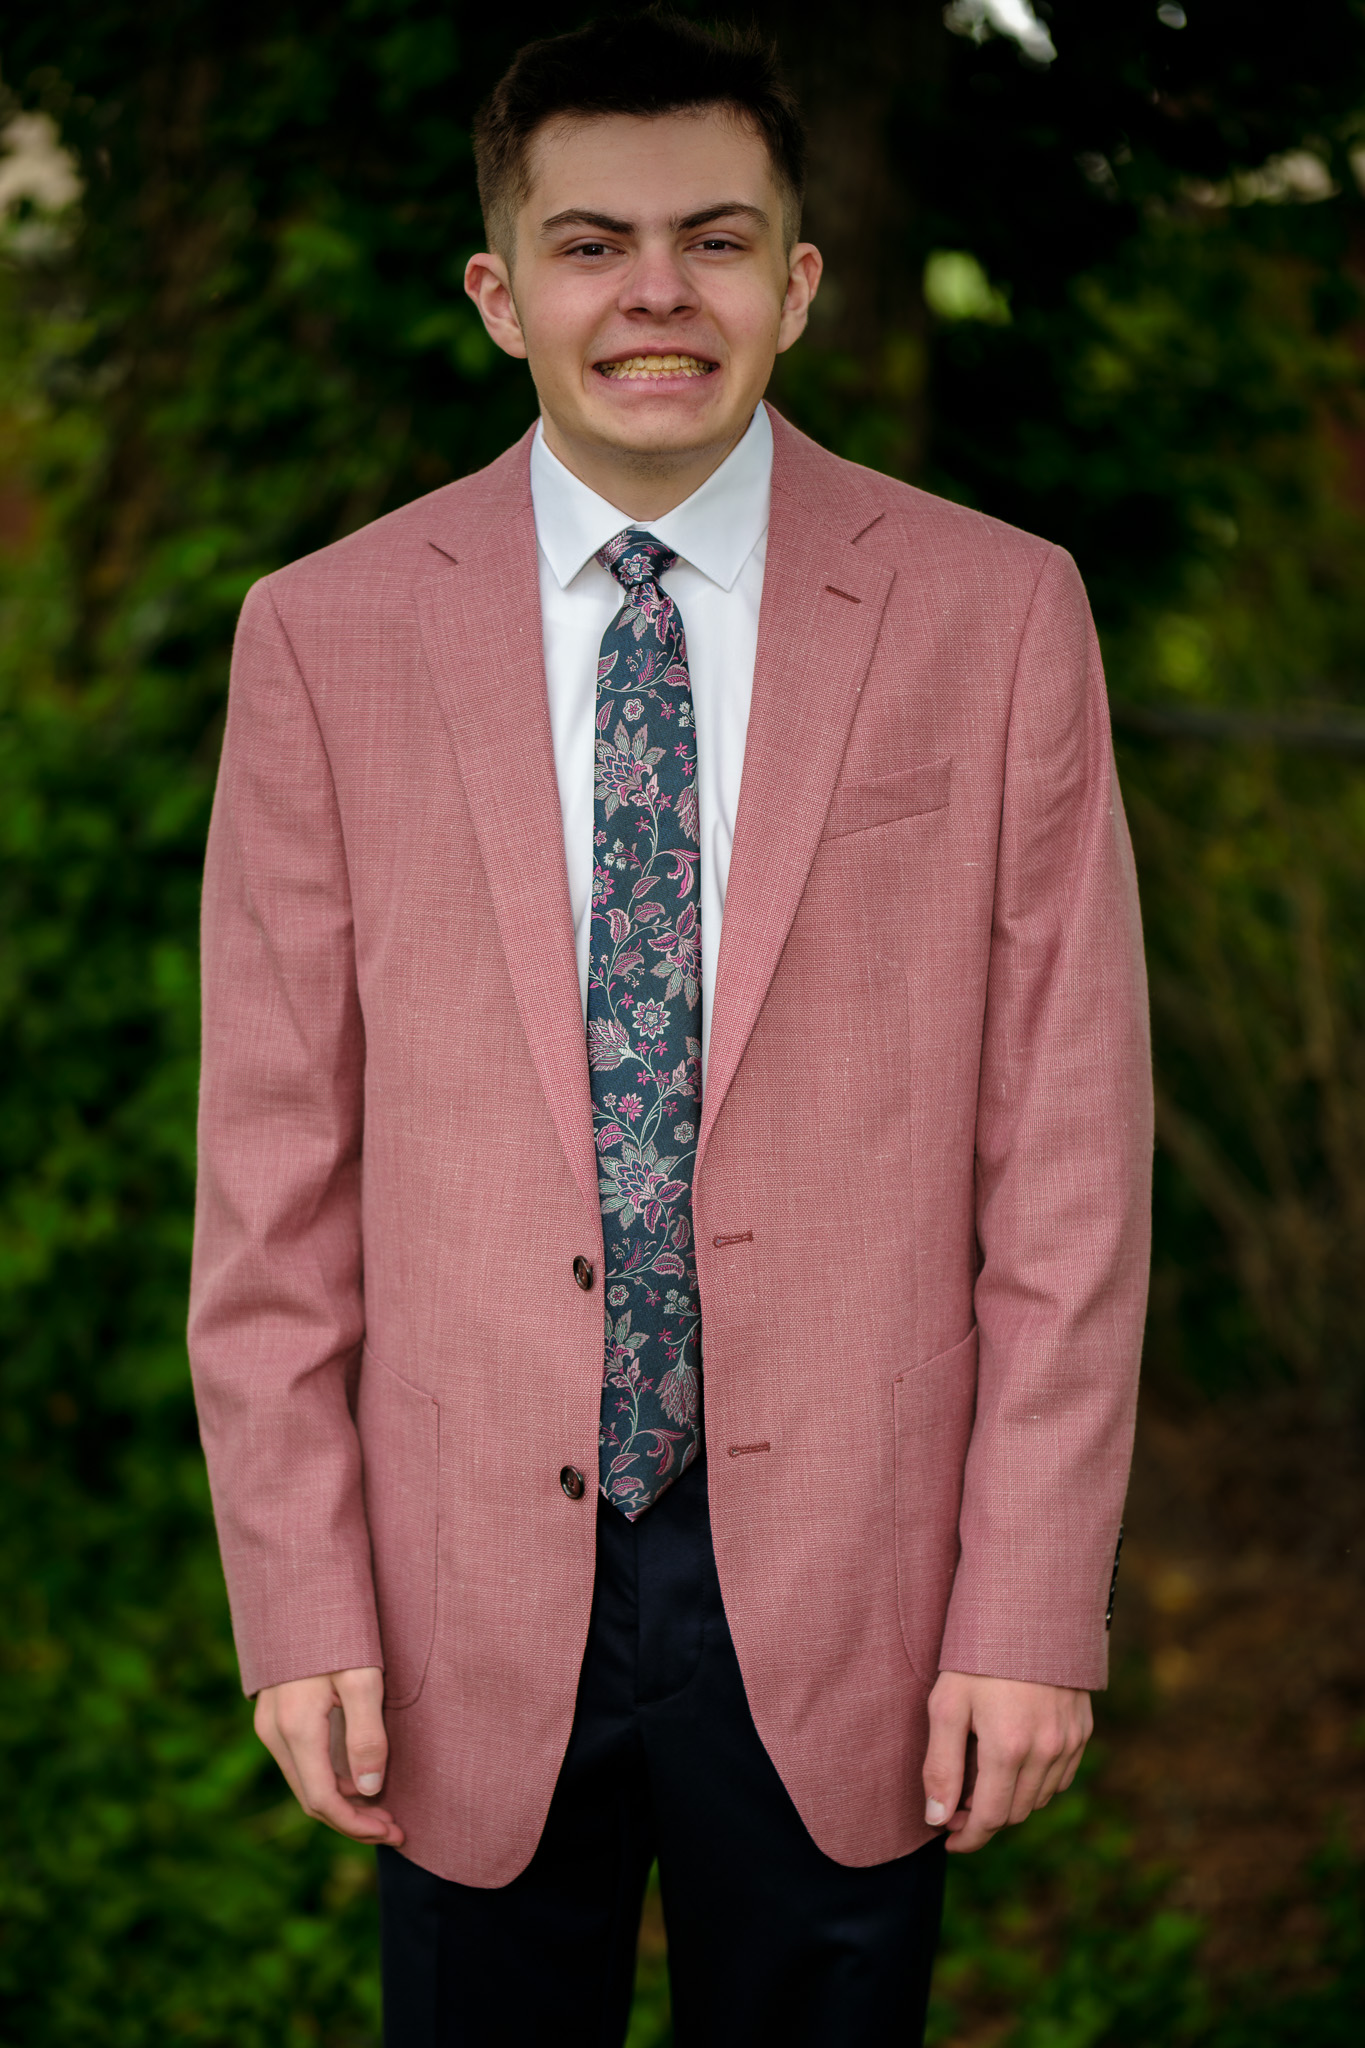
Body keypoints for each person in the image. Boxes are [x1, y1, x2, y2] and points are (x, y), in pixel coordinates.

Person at [188, 10, 1152, 2045]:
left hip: (857, 1574)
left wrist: (1028, 1600)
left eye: (713, 241)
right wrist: (297, 1592)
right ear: (498, 294)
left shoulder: (996, 614)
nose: (654, 294)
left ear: (795, 284)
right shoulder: (322, 637)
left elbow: (1065, 1166)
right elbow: (271, 1181)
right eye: (591, 244)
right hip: (459, 1586)